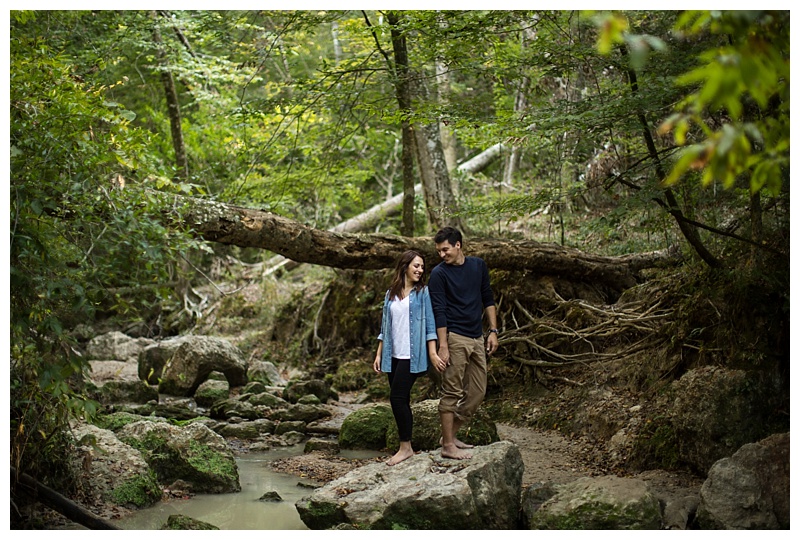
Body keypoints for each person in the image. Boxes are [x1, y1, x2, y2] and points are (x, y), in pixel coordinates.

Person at [428, 227, 498, 460]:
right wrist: (443, 345)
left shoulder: (478, 266)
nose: (442, 254)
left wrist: (493, 330)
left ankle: (450, 435)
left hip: (477, 336)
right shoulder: (438, 274)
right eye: (438, 251)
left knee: (477, 392)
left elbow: (487, 297)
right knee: (452, 391)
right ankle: (448, 445)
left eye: (445, 249)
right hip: (454, 337)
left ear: (458, 245)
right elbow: (439, 310)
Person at [373, 250, 446, 466]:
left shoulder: (422, 292)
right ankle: (406, 446)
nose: (420, 270)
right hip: (391, 356)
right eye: (416, 265)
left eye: (422, 267)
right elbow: (384, 328)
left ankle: (406, 447)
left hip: (411, 356)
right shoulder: (390, 294)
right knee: (401, 399)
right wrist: (378, 354)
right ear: (405, 266)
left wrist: (432, 352)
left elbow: (430, 324)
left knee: (397, 398)